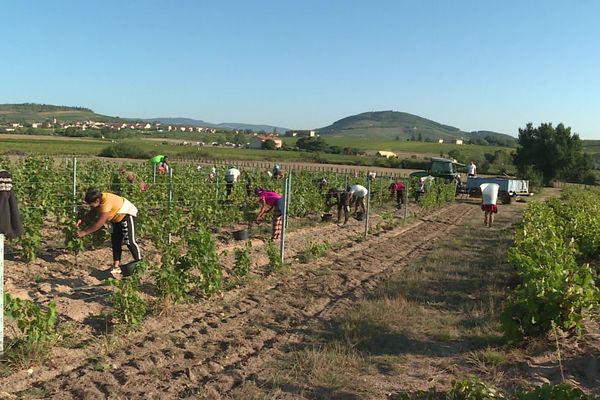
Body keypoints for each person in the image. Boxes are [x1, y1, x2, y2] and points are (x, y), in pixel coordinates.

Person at [77, 188, 141, 277]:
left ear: (97, 200)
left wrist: (84, 232)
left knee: (130, 241)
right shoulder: (99, 199)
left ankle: (139, 263)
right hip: (115, 218)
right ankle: (116, 266)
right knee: (115, 242)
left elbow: (100, 223)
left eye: (91, 204)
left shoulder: (106, 202)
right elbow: (93, 211)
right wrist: (83, 219)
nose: (90, 207)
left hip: (126, 214)